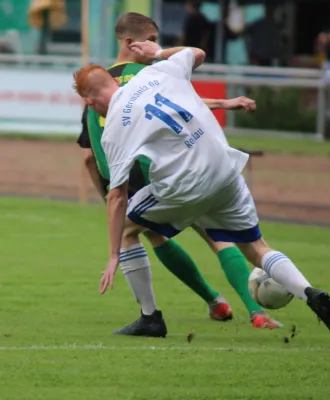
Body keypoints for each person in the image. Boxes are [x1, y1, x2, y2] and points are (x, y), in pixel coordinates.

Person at [73, 42, 330, 341]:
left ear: (90, 103)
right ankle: (309, 292)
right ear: (115, 81)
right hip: (226, 170)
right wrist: (158, 52)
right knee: (256, 248)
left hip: (184, 184)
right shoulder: (157, 73)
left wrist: (113, 255)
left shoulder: (113, 126)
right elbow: (198, 53)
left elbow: (116, 196)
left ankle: (150, 318)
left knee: (127, 231)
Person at [78, 12, 267, 337]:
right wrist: (224, 103)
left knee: (149, 235)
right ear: (131, 42)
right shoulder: (148, 73)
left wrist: (109, 197)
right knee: (218, 237)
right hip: (179, 167)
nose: (156, 46)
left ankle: (196, 304)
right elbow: (184, 106)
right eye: (151, 40)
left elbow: (89, 158)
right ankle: (255, 310)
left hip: (139, 183)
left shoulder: (98, 87)